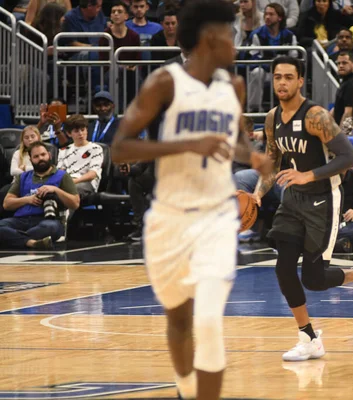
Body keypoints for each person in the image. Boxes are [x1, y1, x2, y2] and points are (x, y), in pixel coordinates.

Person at [110, 1, 271, 399]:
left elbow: (232, 141)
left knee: (210, 321)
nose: (236, 42)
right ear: (208, 38)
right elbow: (120, 149)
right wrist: (183, 145)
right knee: (180, 320)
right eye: (229, 34)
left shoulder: (232, 86)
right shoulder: (164, 83)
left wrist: (251, 154)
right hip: (170, 218)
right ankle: (185, 386)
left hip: (217, 216)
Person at [252, 55, 353, 361]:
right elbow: (273, 159)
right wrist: (258, 193)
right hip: (293, 201)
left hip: (323, 200)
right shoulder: (273, 118)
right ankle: (308, 338)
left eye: (289, 77)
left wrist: (307, 175)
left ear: (301, 81)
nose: (282, 83)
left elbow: (349, 158)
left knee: (313, 278)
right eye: (277, 77)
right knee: (284, 268)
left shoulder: (315, 116)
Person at [0, 142, 80, 249]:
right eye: (36, 156)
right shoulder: (23, 177)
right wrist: (27, 200)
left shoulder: (62, 176)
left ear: (49, 155)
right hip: (21, 220)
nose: (40, 158)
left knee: (52, 228)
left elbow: (75, 203)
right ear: (31, 159)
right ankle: (31, 242)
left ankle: (13, 237)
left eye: (43, 154)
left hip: (46, 220)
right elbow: (6, 204)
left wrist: (56, 190)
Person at [57, 115, 104, 199]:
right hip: (68, 182)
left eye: (83, 130)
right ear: (69, 133)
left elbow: (92, 174)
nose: (81, 134)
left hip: (87, 183)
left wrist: (73, 181)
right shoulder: (64, 150)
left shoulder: (96, 148)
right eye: (76, 131)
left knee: (70, 191)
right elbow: (60, 173)